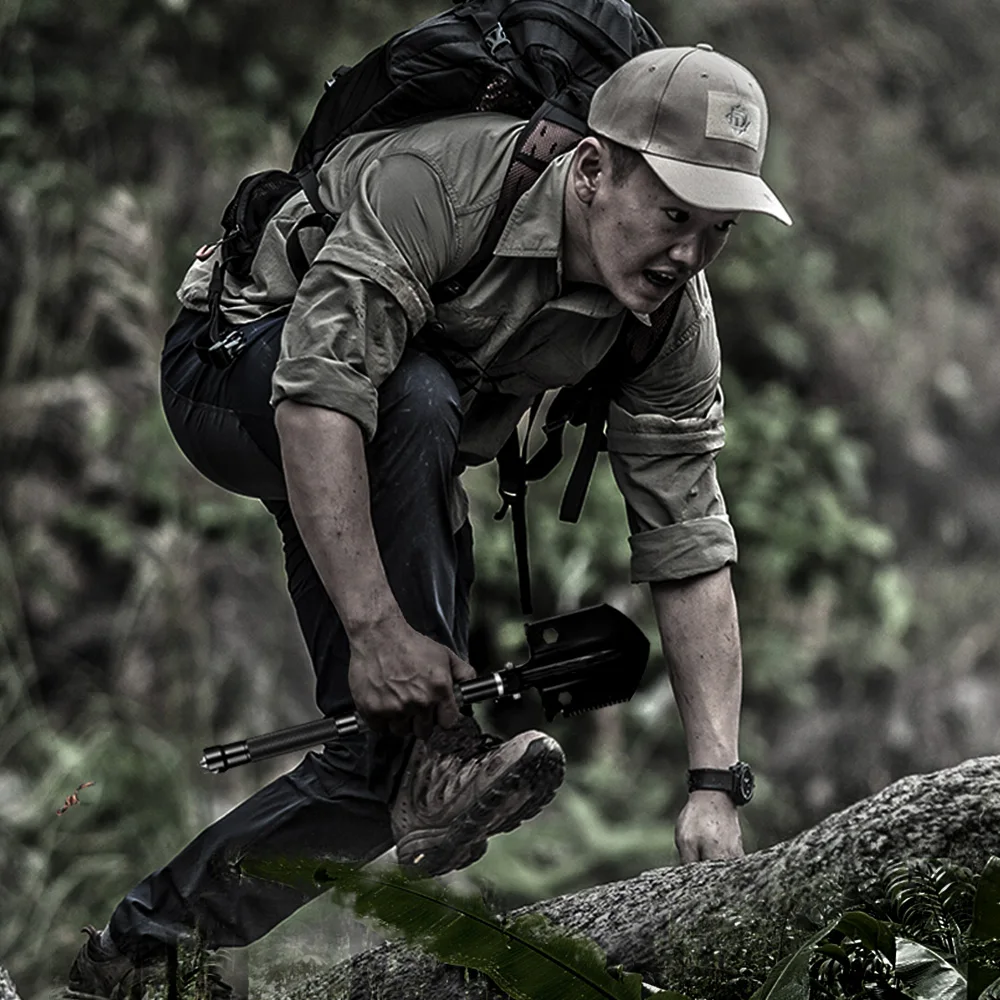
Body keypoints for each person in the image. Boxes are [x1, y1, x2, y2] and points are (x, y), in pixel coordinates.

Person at [65, 42, 791, 999]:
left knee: (387, 754)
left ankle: (135, 957)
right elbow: (320, 395)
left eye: (717, 229)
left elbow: (689, 538)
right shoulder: (438, 185)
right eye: (672, 215)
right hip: (238, 376)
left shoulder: (668, 318)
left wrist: (714, 785)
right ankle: (433, 756)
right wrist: (375, 632)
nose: (691, 252)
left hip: (391, 446)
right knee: (414, 398)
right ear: (591, 170)